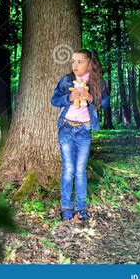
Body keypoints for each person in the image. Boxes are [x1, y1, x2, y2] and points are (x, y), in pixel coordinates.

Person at [50, 49, 110, 221]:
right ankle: (66, 207)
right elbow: (54, 100)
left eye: (79, 62)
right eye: (73, 61)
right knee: (68, 169)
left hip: (84, 130)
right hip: (67, 129)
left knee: (81, 171)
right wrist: (69, 97)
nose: (75, 65)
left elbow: (105, 103)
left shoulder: (97, 82)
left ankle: (81, 207)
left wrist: (91, 98)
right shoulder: (67, 80)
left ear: (89, 64)